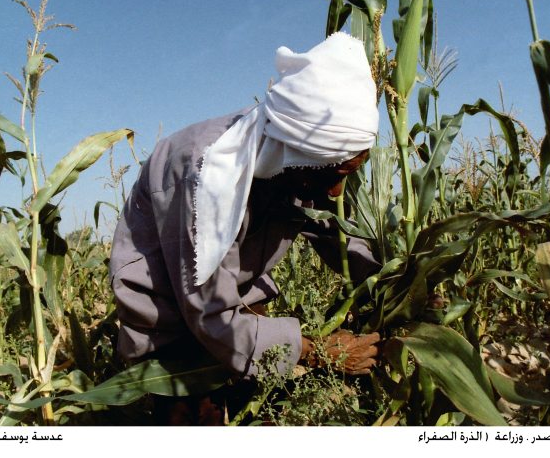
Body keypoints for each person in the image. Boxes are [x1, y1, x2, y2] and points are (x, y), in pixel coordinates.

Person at [109, 32, 382, 424]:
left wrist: (399, 280)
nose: (337, 191)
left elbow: (342, 235)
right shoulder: (203, 175)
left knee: (255, 408)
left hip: (235, 296)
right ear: (297, 155)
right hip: (172, 314)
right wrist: (316, 351)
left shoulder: (304, 165)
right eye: (335, 174)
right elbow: (209, 313)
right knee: (196, 419)